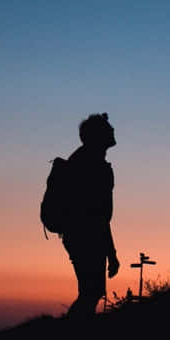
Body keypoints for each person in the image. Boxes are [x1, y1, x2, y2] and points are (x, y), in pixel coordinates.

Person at [60, 113, 120, 318]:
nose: (113, 130)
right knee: (90, 292)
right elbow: (97, 214)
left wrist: (110, 252)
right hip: (85, 236)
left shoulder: (88, 160)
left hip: (85, 235)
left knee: (91, 292)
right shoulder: (91, 164)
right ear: (98, 135)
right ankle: (74, 338)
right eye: (108, 128)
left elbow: (101, 216)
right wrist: (111, 253)